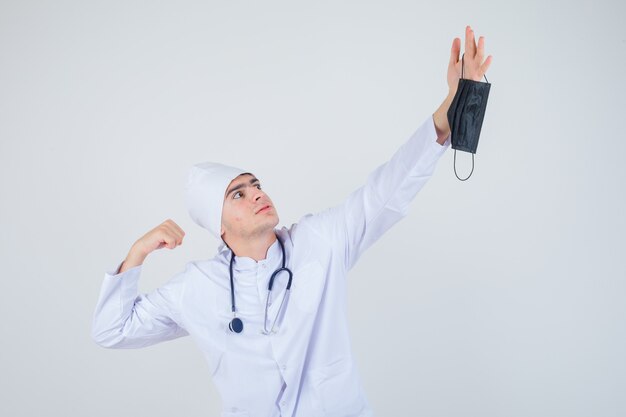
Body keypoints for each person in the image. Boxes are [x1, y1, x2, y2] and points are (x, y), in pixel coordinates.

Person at [92, 25, 492, 417]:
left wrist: (451, 108)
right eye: (239, 194)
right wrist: (137, 252)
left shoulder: (318, 241)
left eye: (256, 185)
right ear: (219, 225)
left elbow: (385, 192)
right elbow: (112, 331)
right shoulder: (195, 289)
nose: (258, 195)